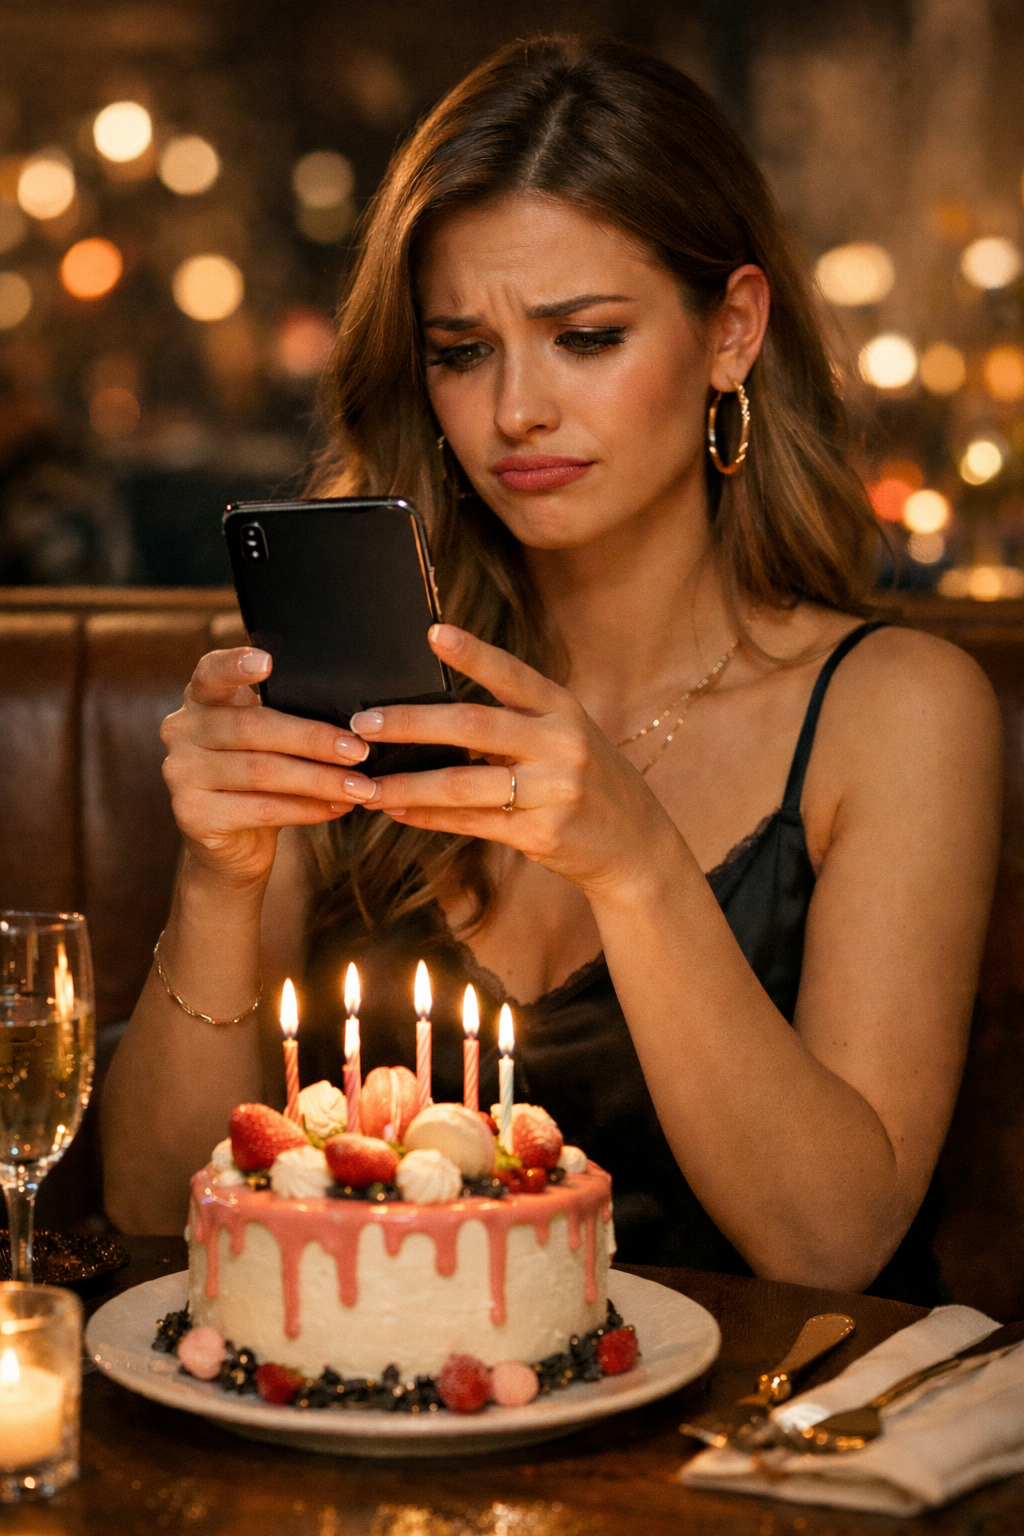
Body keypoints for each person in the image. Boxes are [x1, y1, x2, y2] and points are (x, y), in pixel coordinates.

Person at [103, 37, 1001, 1303]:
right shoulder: (353, 679)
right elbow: (153, 1220)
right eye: (462, 350)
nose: (515, 410)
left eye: (583, 337)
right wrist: (217, 877)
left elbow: (831, 1246)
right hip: (383, 1452)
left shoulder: (895, 710)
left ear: (732, 330)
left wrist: (634, 862)